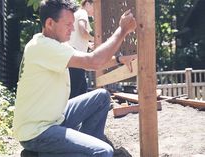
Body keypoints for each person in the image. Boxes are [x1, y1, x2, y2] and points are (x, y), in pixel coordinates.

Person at [13, 0, 137, 157]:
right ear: (50, 23)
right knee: (103, 151)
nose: (72, 29)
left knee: (101, 97)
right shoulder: (41, 47)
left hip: (54, 118)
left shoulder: (55, 45)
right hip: (37, 132)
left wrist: (119, 59)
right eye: (68, 24)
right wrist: (122, 30)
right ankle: (43, 152)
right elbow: (93, 61)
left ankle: (80, 148)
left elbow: (88, 62)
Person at [68, 0, 94, 99]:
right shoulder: (83, 13)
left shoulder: (76, 14)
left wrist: (88, 44)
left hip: (72, 57)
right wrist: (96, 39)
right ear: (87, 3)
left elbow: (77, 36)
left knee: (80, 89)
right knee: (77, 92)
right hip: (77, 58)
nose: (95, 11)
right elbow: (82, 31)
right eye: (94, 7)